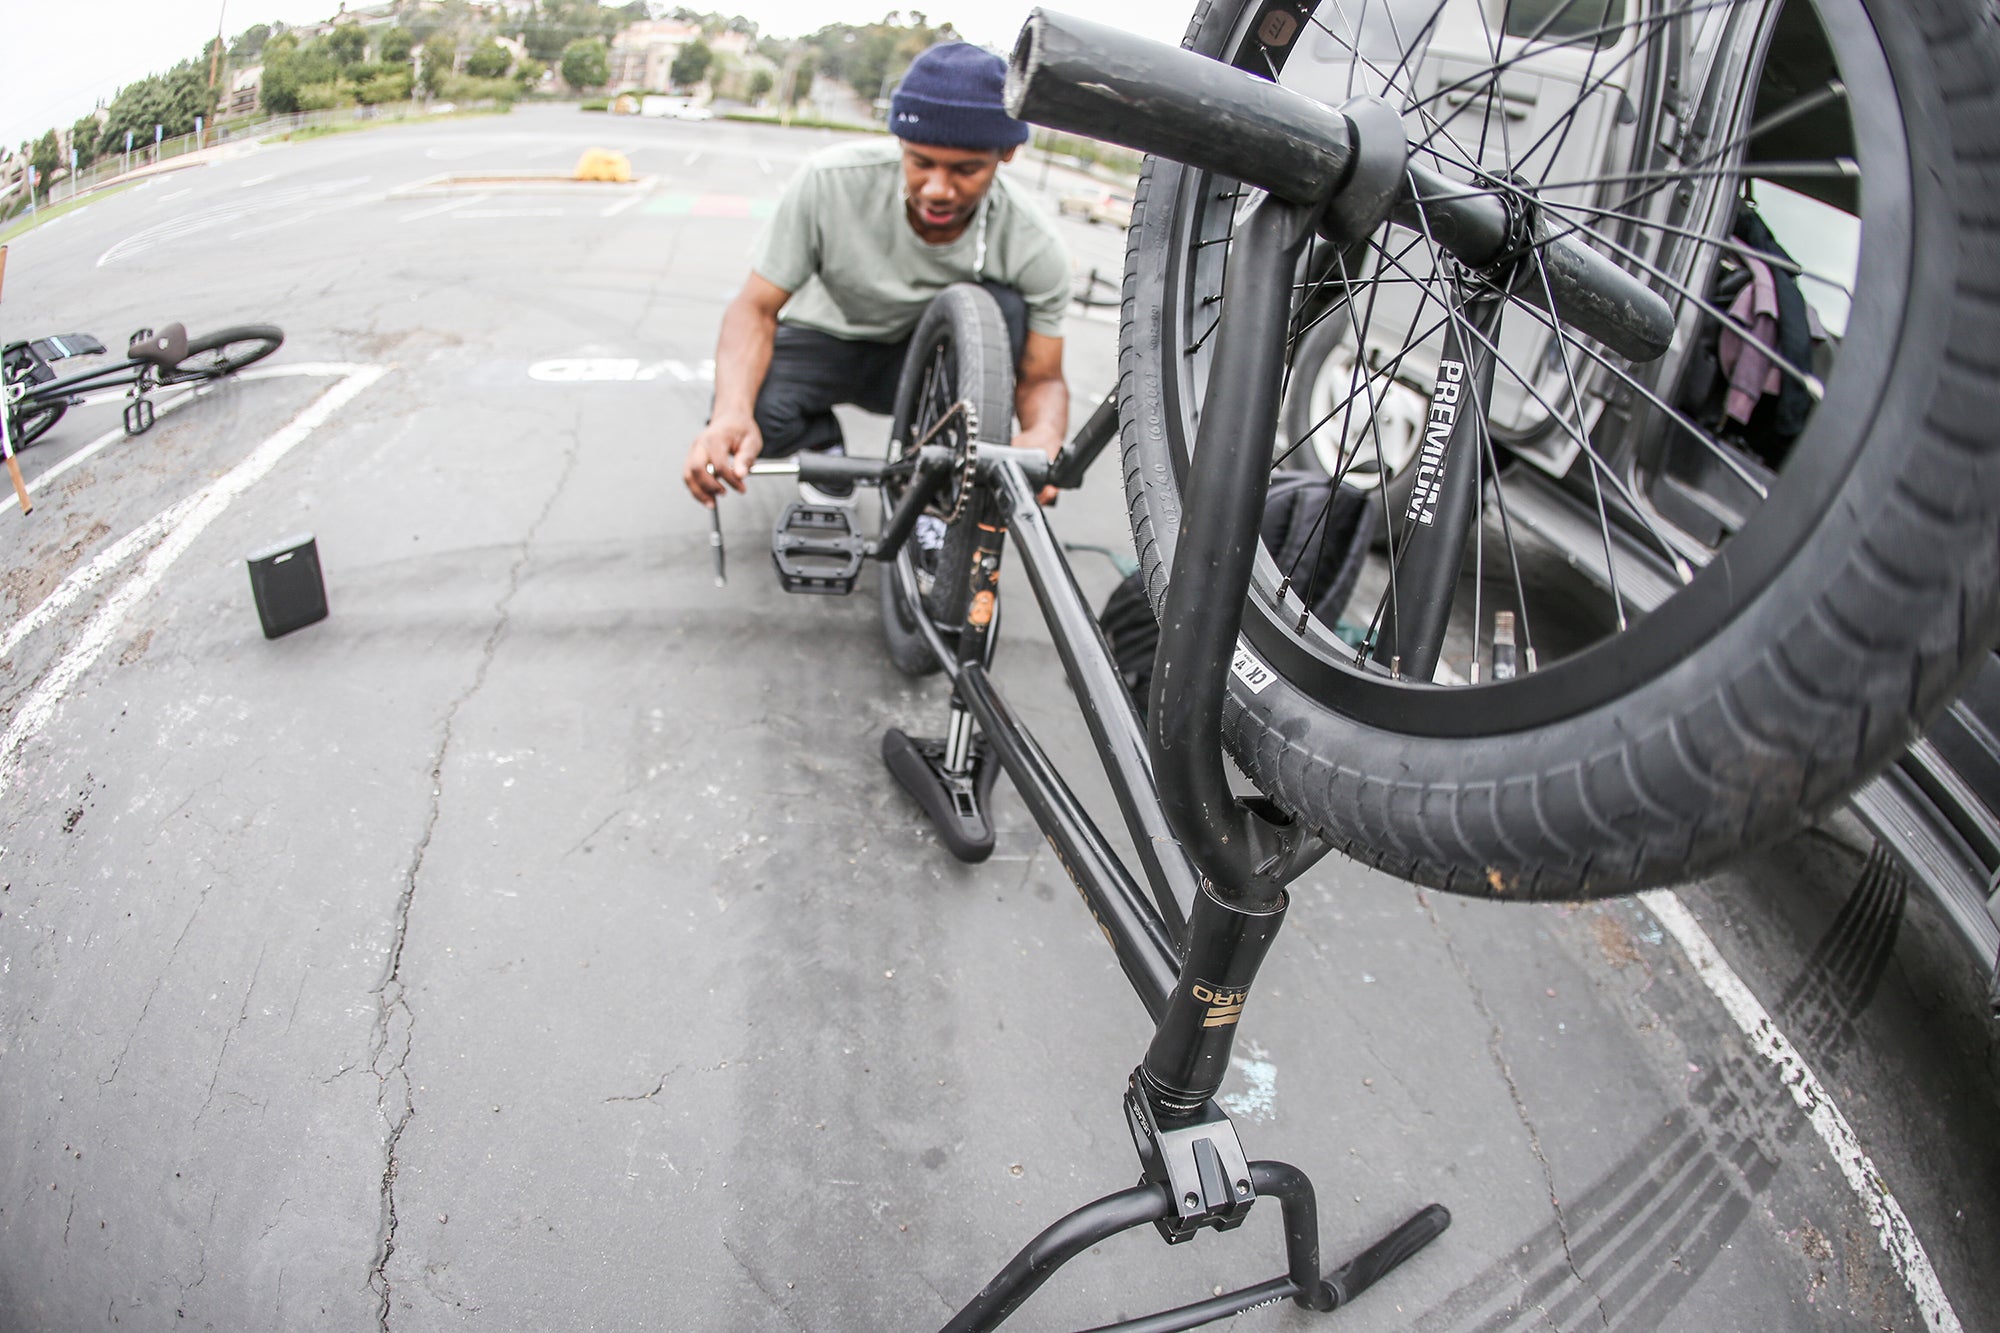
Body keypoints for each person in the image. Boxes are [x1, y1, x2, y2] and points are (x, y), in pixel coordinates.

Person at [682, 42, 1071, 509]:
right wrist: (729, 414)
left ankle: (931, 489)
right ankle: (825, 449)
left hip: (921, 364)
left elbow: (1042, 376)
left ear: (1006, 154)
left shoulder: (1033, 243)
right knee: (748, 404)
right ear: (901, 144)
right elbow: (755, 308)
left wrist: (1043, 434)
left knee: (1002, 308)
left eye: (967, 170)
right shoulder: (829, 182)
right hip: (828, 339)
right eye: (921, 162)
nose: (938, 189)